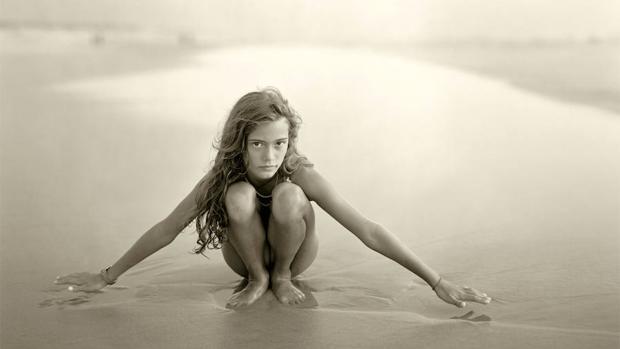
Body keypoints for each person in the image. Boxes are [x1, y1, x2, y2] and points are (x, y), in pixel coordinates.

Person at [55, 87, 491, 309]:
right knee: (240, 195)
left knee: (286, 195)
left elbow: (369, 231)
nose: (270, 154)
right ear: (239, 142)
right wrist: (106, 276)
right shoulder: (223, 176)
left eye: (279, 143)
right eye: (259, 144)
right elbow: (168, 228)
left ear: (290, 141)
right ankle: (260, 278)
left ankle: (279, 275)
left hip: (295, 256)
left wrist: (436, 280)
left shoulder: (299, 171)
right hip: (243, 259)